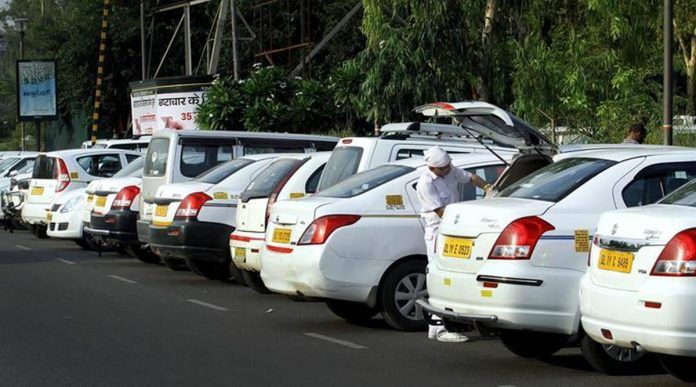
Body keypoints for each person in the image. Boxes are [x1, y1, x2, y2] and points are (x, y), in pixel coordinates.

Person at [416, 146, 490, 342]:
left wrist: (488, 188)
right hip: (438, 232)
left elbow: (471, 178)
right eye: (445, 168)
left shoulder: (450, 170)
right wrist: (469, 216)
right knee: (437, 277)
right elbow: (440, 212)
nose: (449, 170)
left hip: (453, 230)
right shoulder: (425, 184)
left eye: (449, 166)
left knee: (450, 277)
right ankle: (437, 328)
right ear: (433, 168)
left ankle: (448, 322)